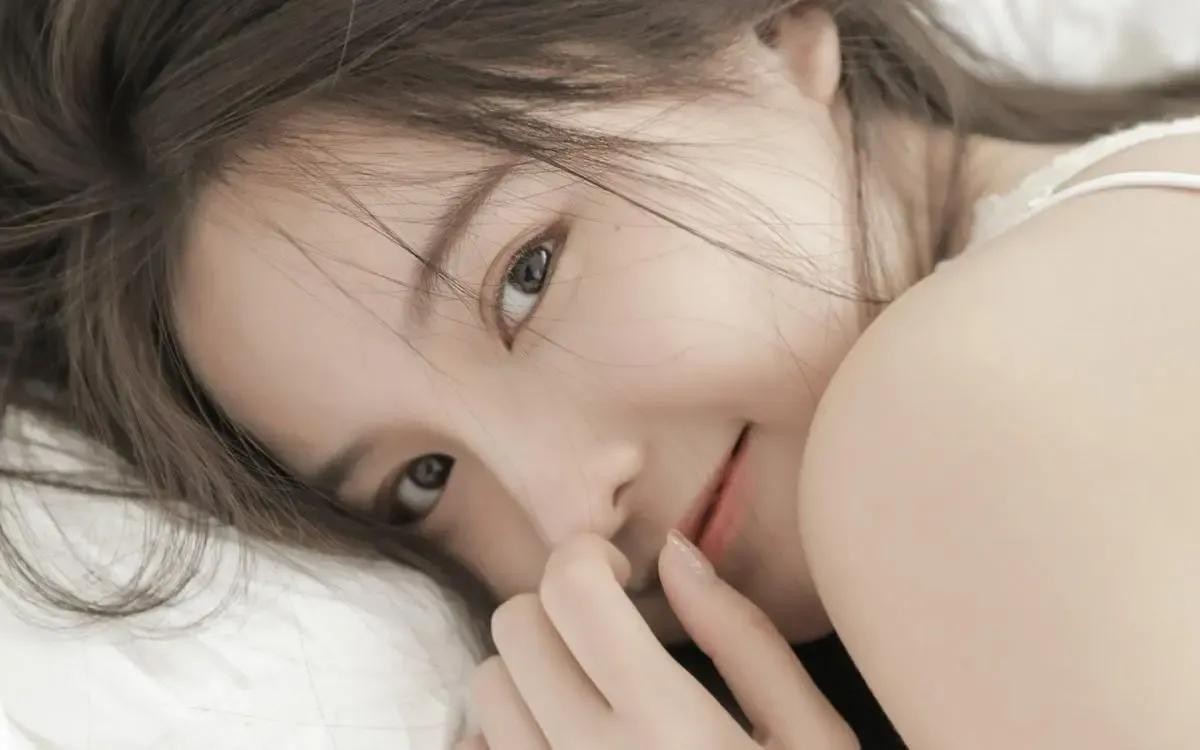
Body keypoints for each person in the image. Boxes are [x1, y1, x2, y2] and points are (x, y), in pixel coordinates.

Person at [2, 1, 1199, 747]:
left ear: (772, 30)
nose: (568, 516)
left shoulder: (955, 411)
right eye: (423, 480)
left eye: (524, 276)